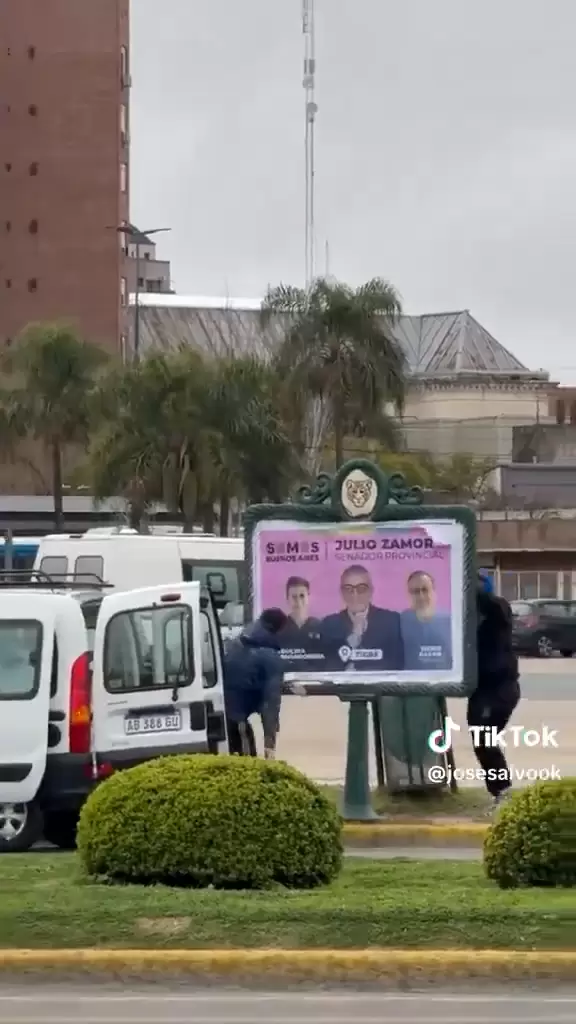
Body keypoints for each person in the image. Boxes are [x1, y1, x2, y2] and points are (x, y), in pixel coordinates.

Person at [468, 570, 520, 809]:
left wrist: (470, 581)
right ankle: (500, 792)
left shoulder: (499, 610)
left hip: (500, 688)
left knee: (486, 740)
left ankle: (503, 792)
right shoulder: (472, 618)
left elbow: (487, 601)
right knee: (481, 742)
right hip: (482, 690)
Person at [224, 607, 305, 758]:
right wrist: (270, 746)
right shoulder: (270, 658)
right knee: (247, 767)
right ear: (278, 631)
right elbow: (270, 704)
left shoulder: (235, 644)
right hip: (238, 724)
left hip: (223, 720)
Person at [319, 564, 404, 671]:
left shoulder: (391, 622)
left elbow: (396, 665)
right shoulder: (329, 625)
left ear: (371, 591)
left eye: (361, 588)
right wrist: (354, 637)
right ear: (342, 592)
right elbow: (328, 667)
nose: (355, 595)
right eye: (349, 589)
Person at [400, 571, 452, 670]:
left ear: (433, 591)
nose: (421, 596)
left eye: (425, 590)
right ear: (409, 594)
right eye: (415, 591)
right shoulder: (400, 622)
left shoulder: (450, 621)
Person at [278, 576, 322, 653]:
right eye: (294, 596)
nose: (298, 601)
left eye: (302, 596)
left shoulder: (320, 628)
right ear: (287, 598)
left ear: (308, 597)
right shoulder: (278, 628)